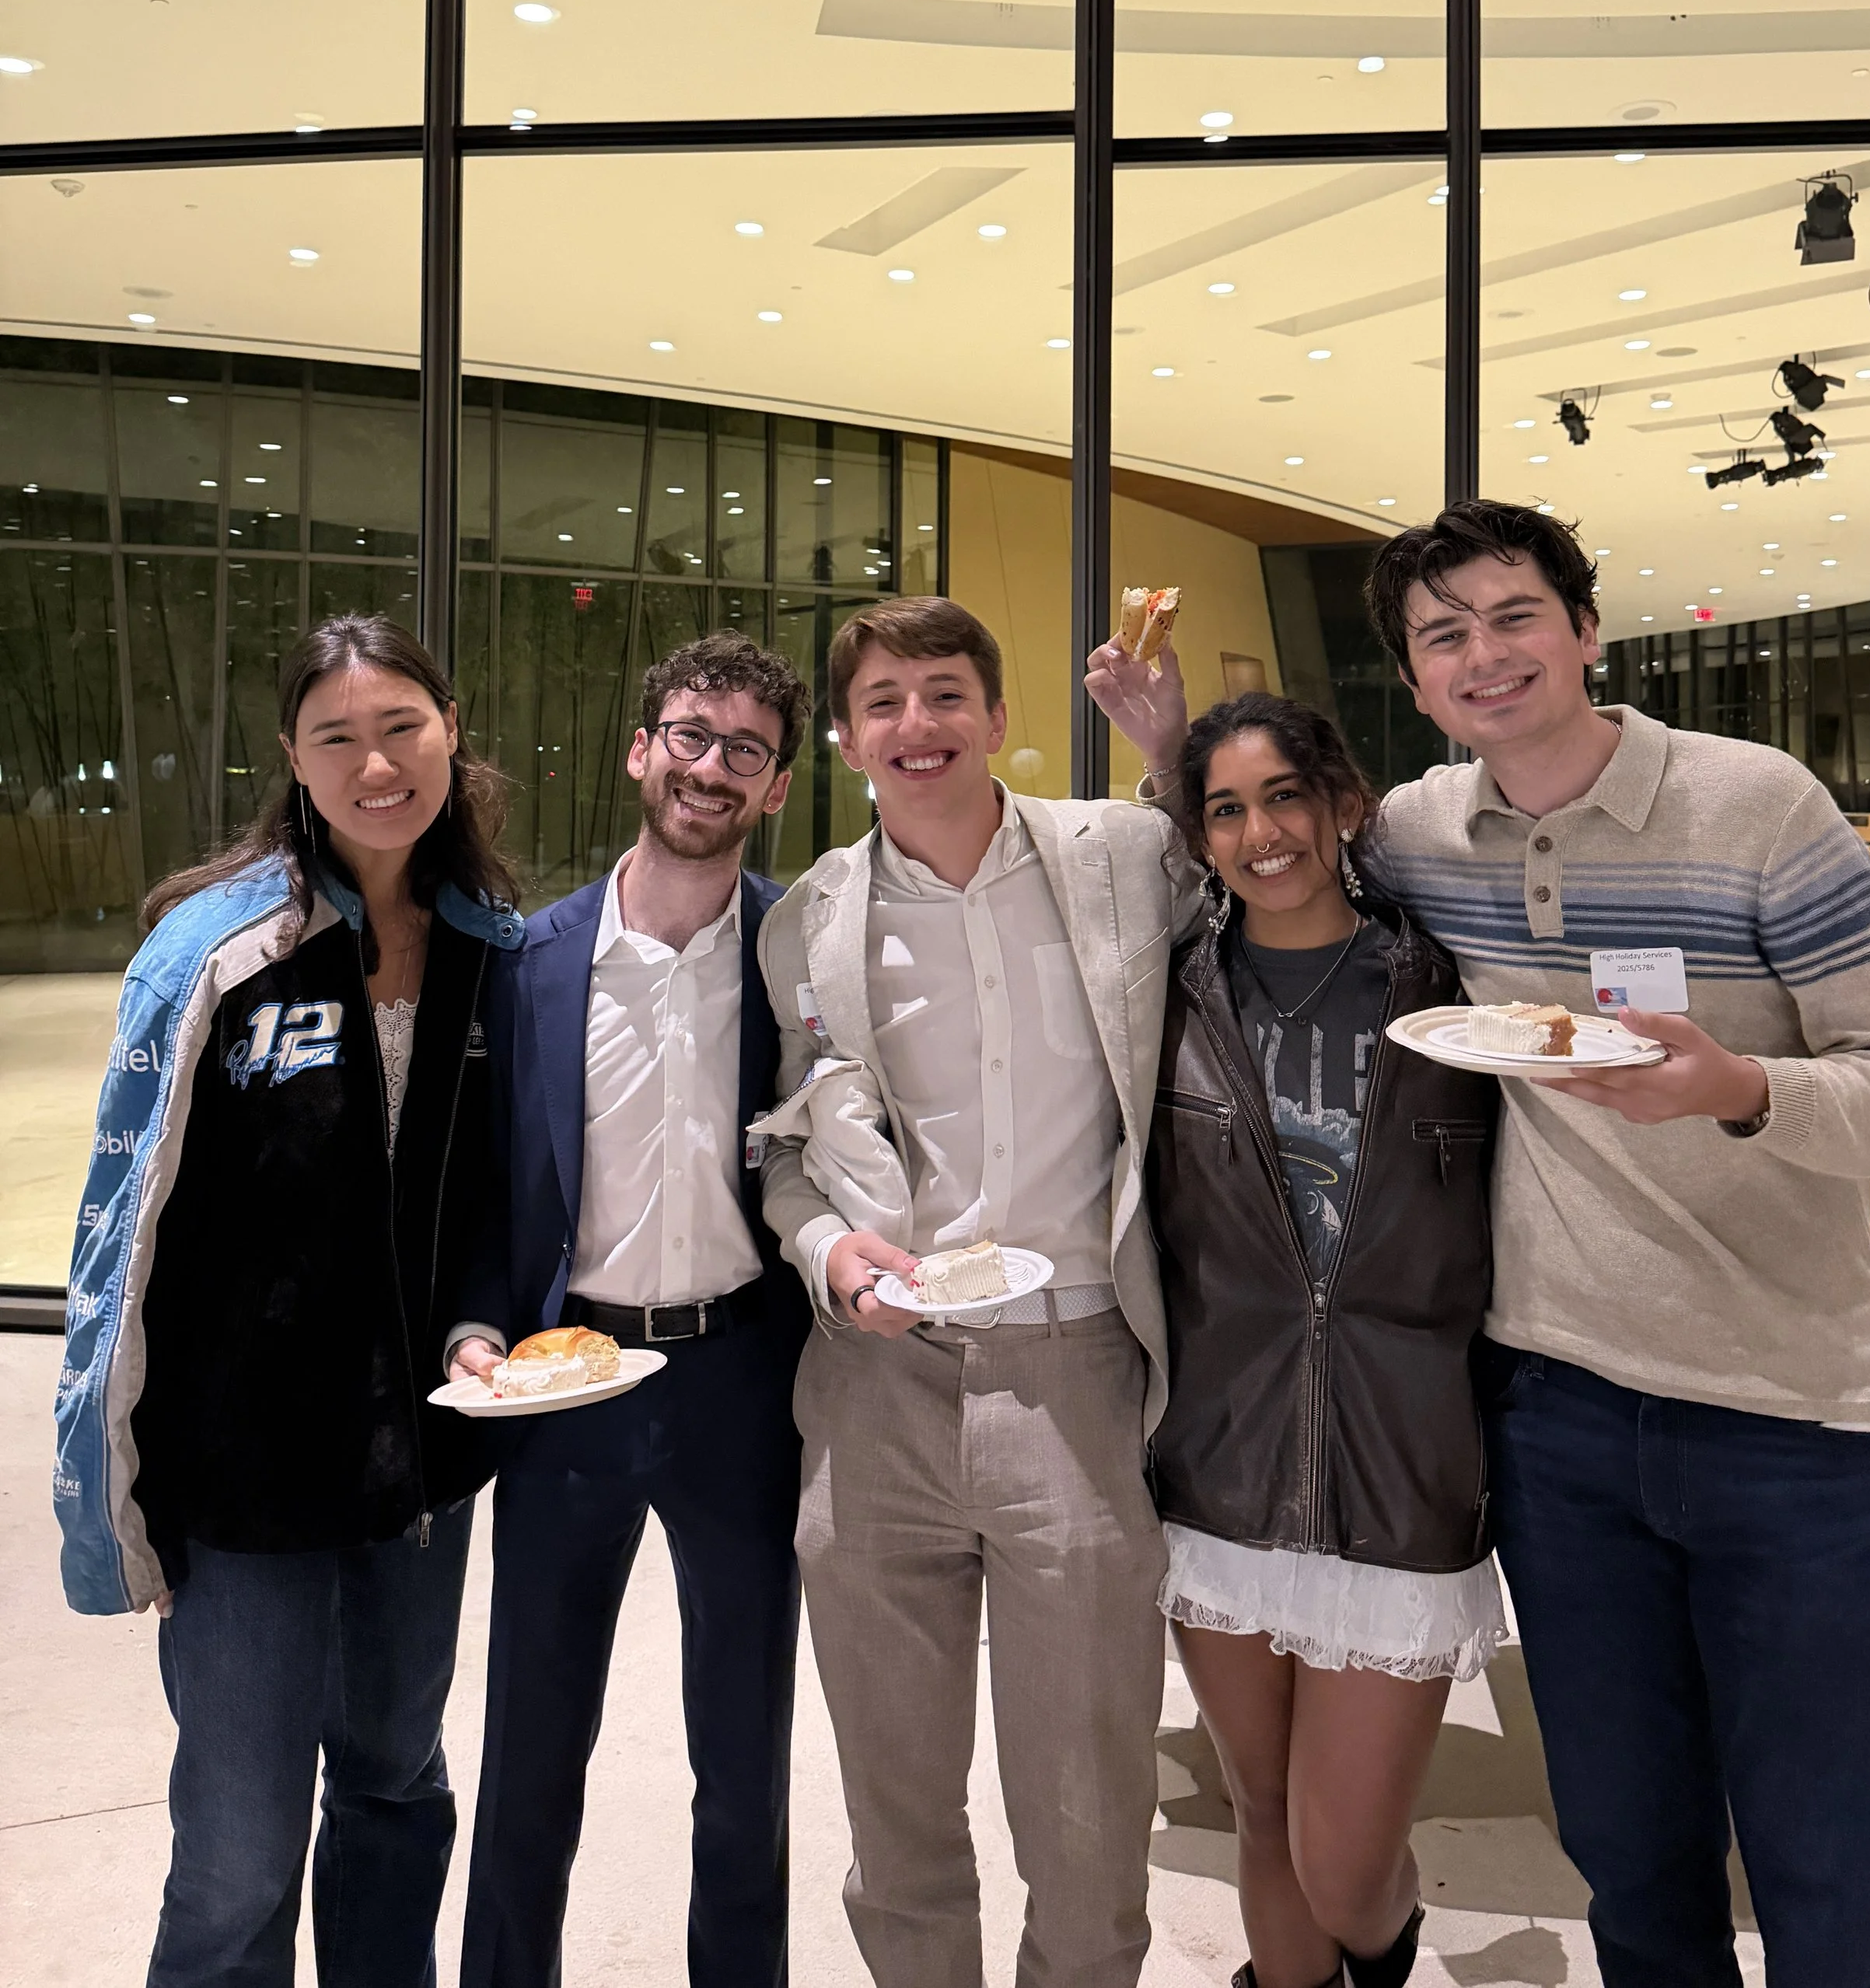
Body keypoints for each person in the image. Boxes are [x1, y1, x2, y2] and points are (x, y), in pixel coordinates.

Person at [1354, 498, 1870, 1988]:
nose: (1484, 657)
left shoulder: (1755, 806)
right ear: (1418, 684)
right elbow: (1261, 862)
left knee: (1827, 1883)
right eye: (1444, 638)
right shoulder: (1426, 833)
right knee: (1631, 1863)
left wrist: (1741, 1088)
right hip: (1557, 1418)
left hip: (1800, 1422)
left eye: (1512, 617)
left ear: (1584, 633)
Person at [52, 613, 523, 1988]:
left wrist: (479, 1328)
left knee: (392, 1786)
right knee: (243, 1847)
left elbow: (497, 1199)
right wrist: (115, 1487)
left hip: (421, 1466)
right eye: (339, 738)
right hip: (246, 1475)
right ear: (293, 760)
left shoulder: (494, 949)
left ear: (450, 732)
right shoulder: (217, 956)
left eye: (402, 729)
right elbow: (122, 1244)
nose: (377, 764)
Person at [757, 594, 1201, 1988]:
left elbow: (1264, 868)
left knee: (1087, 1801)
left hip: (1075, 1372)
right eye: (883, 703)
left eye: (945, 694)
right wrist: (827, 1252)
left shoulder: (1118, 855)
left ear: (999, 719)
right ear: (845, 739)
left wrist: (1171, 742)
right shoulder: (812, 921)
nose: (917, 725)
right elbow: (789, 1153)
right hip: (875, 1386)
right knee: (894, 1804)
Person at [453, 631, 813, 1988]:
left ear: (774, 786)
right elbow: (488, 1191)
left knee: (744, 1751)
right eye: (689, 734)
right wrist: (475, 1327)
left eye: (744, 750)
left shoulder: (796, 958)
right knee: (533, 1740)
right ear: (640, 750)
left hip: (742, 1386)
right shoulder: (529, 962)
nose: (710, 766)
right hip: (571, 1388)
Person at [1138, 690, 1503, 1988]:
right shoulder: (1169, 996)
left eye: (1284, 795)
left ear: (1345, 804)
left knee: (1345, 1866)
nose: (1260, 832)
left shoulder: (1446, 982)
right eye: (1226, 810)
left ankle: (1382, 1950)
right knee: (1261, 1808)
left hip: (1403, 1467)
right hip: (1220, 1461)